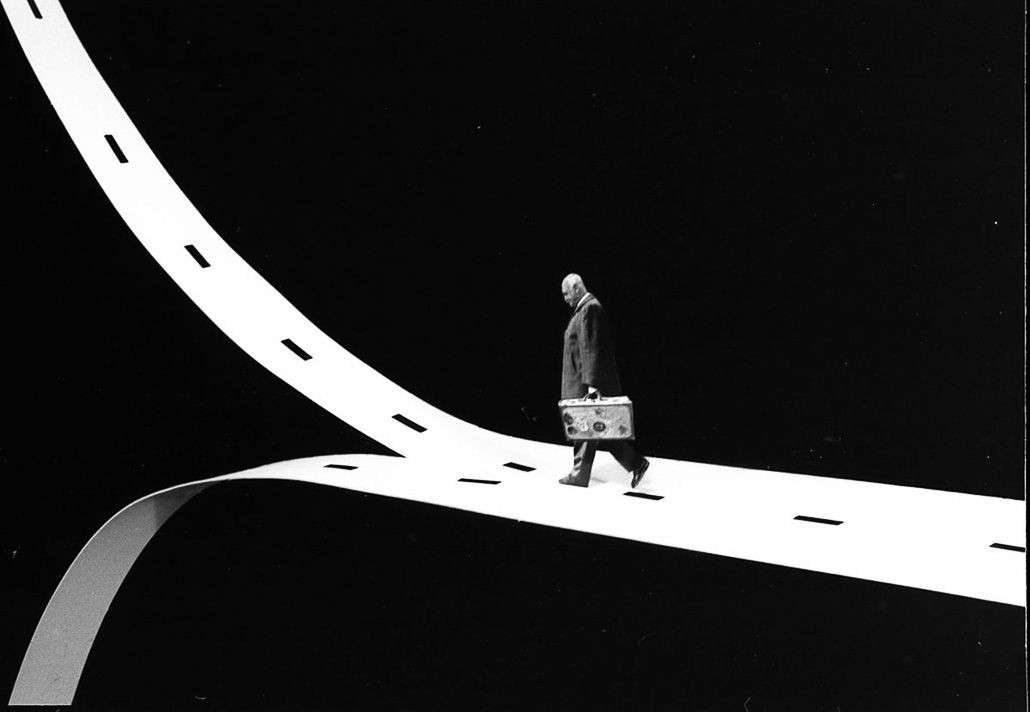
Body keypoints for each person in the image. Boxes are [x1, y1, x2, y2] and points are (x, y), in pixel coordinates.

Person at [558, 273, 650, 488]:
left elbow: (591, 349)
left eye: (566, 293)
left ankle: (579, 475)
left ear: (577, 288)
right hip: (584, 382)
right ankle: (636, 463)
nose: (565, 298)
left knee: (584, 428)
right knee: (600, 430)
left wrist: (592, 386)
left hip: (585, 384)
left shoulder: (589, 309)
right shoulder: (584, 309)